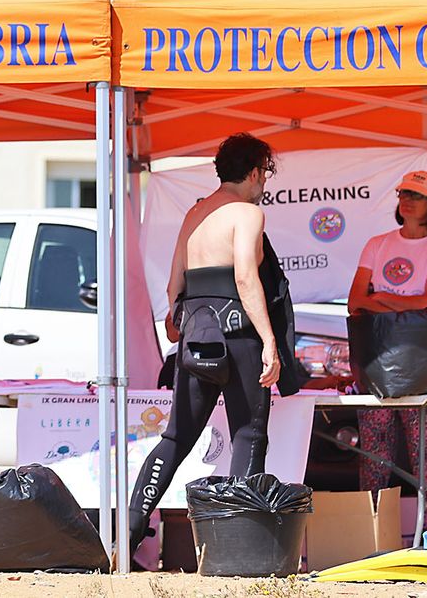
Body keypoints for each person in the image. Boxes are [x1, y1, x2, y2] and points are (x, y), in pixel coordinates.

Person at [126, 132, 301, 556]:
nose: (265, 183)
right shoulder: (246, 213)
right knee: (249, 433)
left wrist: (180, 320)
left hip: (195, 335)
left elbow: (174, 285)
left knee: (175, 439)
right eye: (266, 174)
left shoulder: (196, 213)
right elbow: (246, 277)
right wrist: (268, 342)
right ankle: (236, 548)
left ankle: (124, 536)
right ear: (257, 171)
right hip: (238, 337)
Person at [347, 169, 427, 527]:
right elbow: (354, 302)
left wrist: (381, 298)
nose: (406, 199)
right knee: (373, 462)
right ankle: (371, 540)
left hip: (423, 370)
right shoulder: (376, 244)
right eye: (403, 192)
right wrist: (403, 305)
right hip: (377, 365)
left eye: (416, 194)